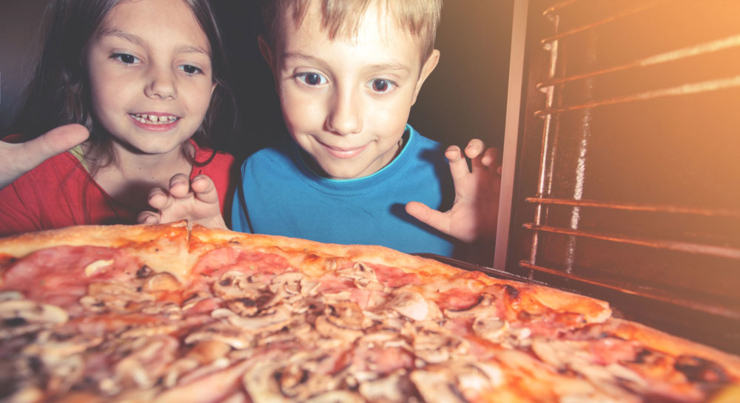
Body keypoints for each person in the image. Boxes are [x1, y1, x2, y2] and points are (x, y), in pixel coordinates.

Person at [141, 0, 501, 259]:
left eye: (379, 84)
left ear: (421, 78)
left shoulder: (459, 188)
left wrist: (491, 241)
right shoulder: (257, 177)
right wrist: (217, 245)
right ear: (271, 63)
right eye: (312, 78)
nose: (344, 122)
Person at [0, 0, 239, 237]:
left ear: (211, 89)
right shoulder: (26, 175)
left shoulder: (240, 182)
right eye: (127, 58)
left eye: (189, 68)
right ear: (80, 68)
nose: (164, 86)